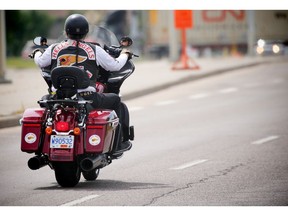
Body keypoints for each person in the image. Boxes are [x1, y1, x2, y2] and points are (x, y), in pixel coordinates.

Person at [31, 13, 132, 152]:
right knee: (115, 100)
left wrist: (37, 52)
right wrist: (124, 54)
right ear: (86, 32)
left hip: (58, 97)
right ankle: (119, 142)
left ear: (66, 31)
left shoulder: (54, 48)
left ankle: (42, 144)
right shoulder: (94, 49)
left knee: (44, 103)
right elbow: (114, 66)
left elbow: (41, 62)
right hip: (88, 97)